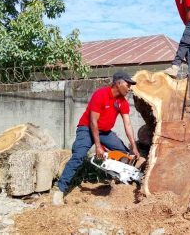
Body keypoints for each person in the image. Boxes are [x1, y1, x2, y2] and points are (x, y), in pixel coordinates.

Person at [53, 71, 140, 205]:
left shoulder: (122, 102)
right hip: (86, 129)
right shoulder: (101, 94)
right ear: (118, 83)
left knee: (125, 154)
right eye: (128, 84)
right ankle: (60, 190)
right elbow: (93, 122)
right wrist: (98, 146)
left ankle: (120, 184)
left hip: (104, 132)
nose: (129, 88)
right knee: (79, 156)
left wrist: (133, 146)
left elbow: (127, 124)